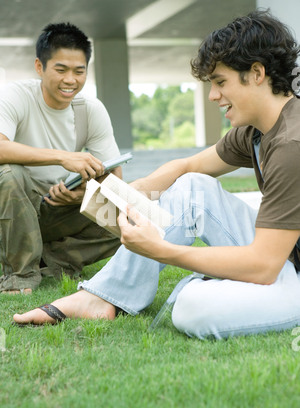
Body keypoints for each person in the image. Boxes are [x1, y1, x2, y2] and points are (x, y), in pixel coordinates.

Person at [14, 10, 300, 340]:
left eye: (221, 83)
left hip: (280, 266)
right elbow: (186, 167)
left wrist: (162, 251)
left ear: (257, 74)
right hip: (284, 255)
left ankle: (217, 281)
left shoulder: (292, 143)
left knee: (192, 307)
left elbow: (264, 264)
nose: (213, 96)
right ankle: (101, 297)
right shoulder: (257, 130)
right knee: (193, 187)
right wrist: (133, 192)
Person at [0, 23, 121, 295]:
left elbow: (116, 182)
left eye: (79, 71)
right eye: (61, 69)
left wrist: (81, 196)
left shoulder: (90, 110)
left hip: (59, 208)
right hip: (12, 209)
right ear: (40, 67)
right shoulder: (16, 96)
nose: (70, 80)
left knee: (130, 213)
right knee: (9, 172)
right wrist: (63, 158)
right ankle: (20, 276)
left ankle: (54, 260)